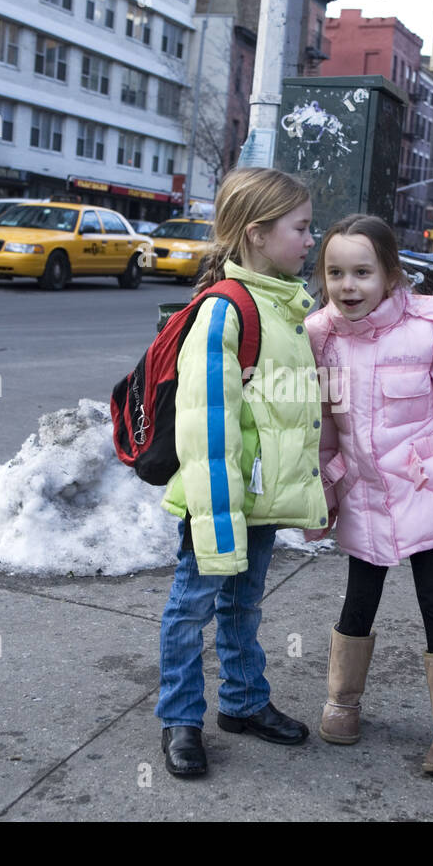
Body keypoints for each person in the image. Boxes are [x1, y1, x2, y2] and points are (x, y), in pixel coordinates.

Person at [305, 214, 433, 774]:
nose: (349, 286)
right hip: (364, 496)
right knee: (357, 600)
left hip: (425, 497)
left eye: (363, 272)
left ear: (391, 275)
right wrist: (321, 492)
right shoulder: (319, 336)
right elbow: (319, 426)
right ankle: (342, 700)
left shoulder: (430, 330)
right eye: (337, 272)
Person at [156, 168, 329, 778]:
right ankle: (180, 718)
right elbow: (206, 431)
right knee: (191, 608)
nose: (312, 240)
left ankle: (243, 701)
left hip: (256, 498)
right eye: (301, 228)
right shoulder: (226, 312)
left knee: (243, 606)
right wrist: (217, 522)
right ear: (257, 234)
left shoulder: (281, 304)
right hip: (218, 499)